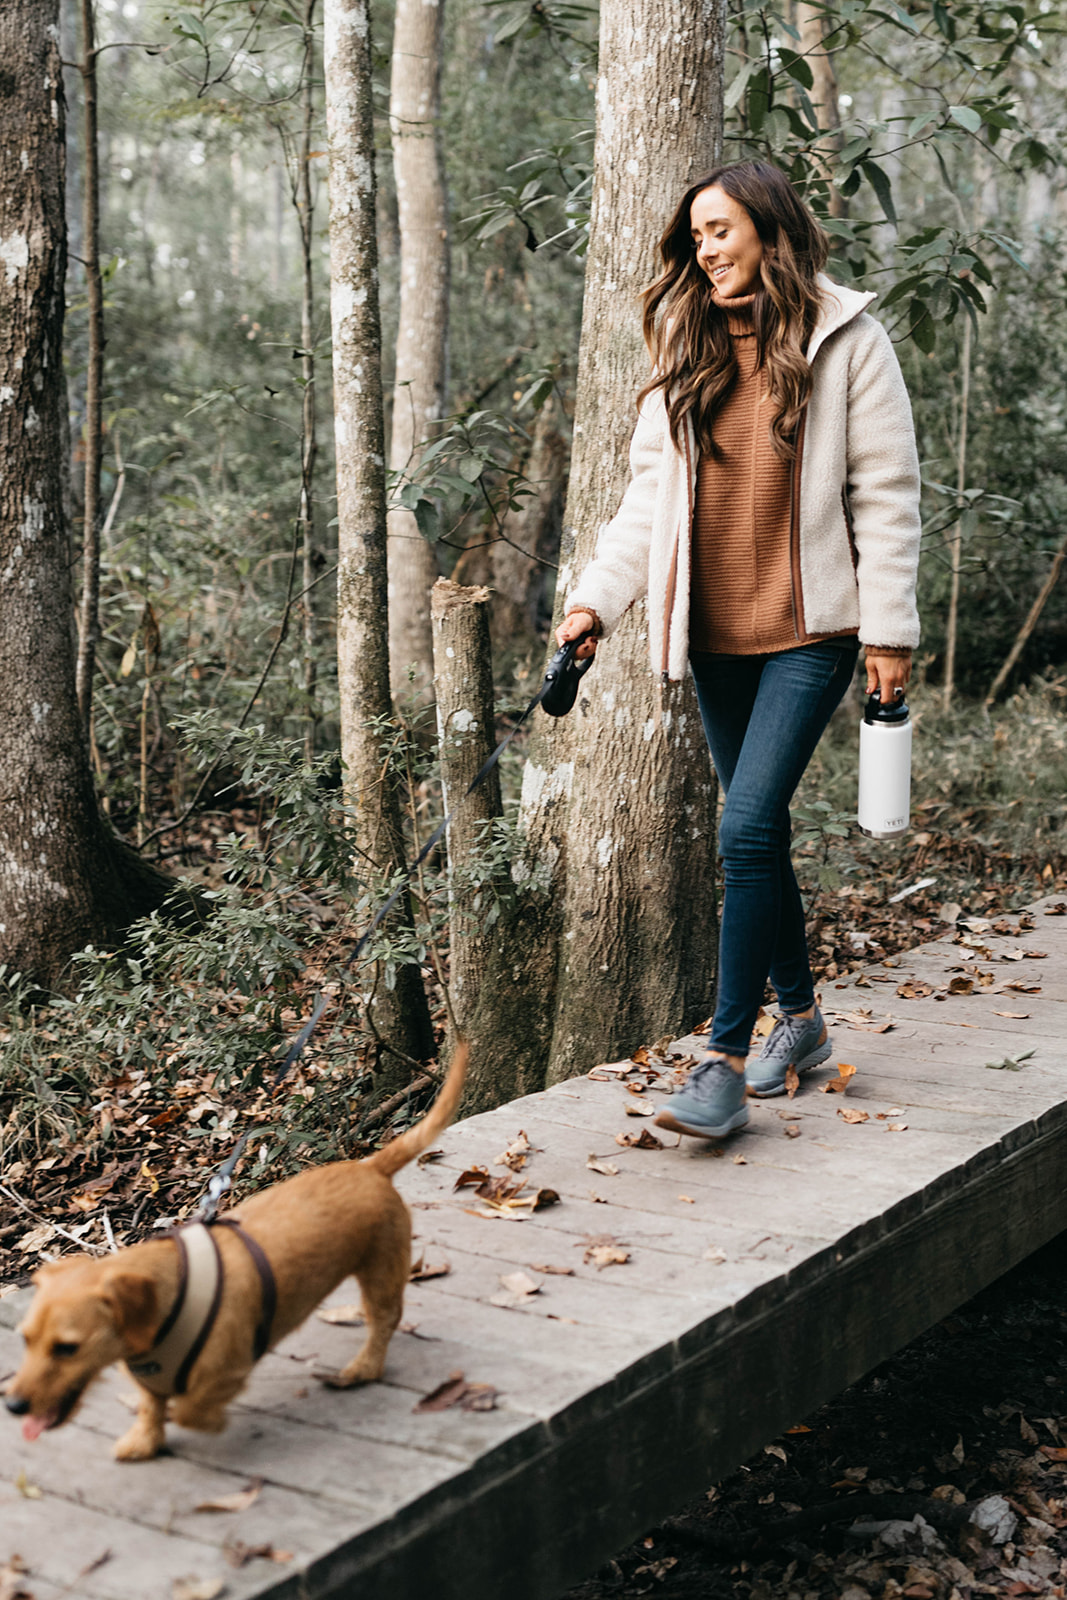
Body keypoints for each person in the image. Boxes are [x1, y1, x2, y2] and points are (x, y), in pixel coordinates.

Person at [557, 160, 921, 1140]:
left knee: (743, 828)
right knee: (753, 836)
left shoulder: (848, 339)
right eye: (695, 235)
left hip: (811, 634)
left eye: (717, 228)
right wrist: (595, 602)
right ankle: (797, 1020)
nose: (703, 247)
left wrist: (889, 630)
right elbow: (645, 500)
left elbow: (885, 493)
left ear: (767, 227)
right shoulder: (687, 339)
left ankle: (719, 1055)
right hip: (712, 637)